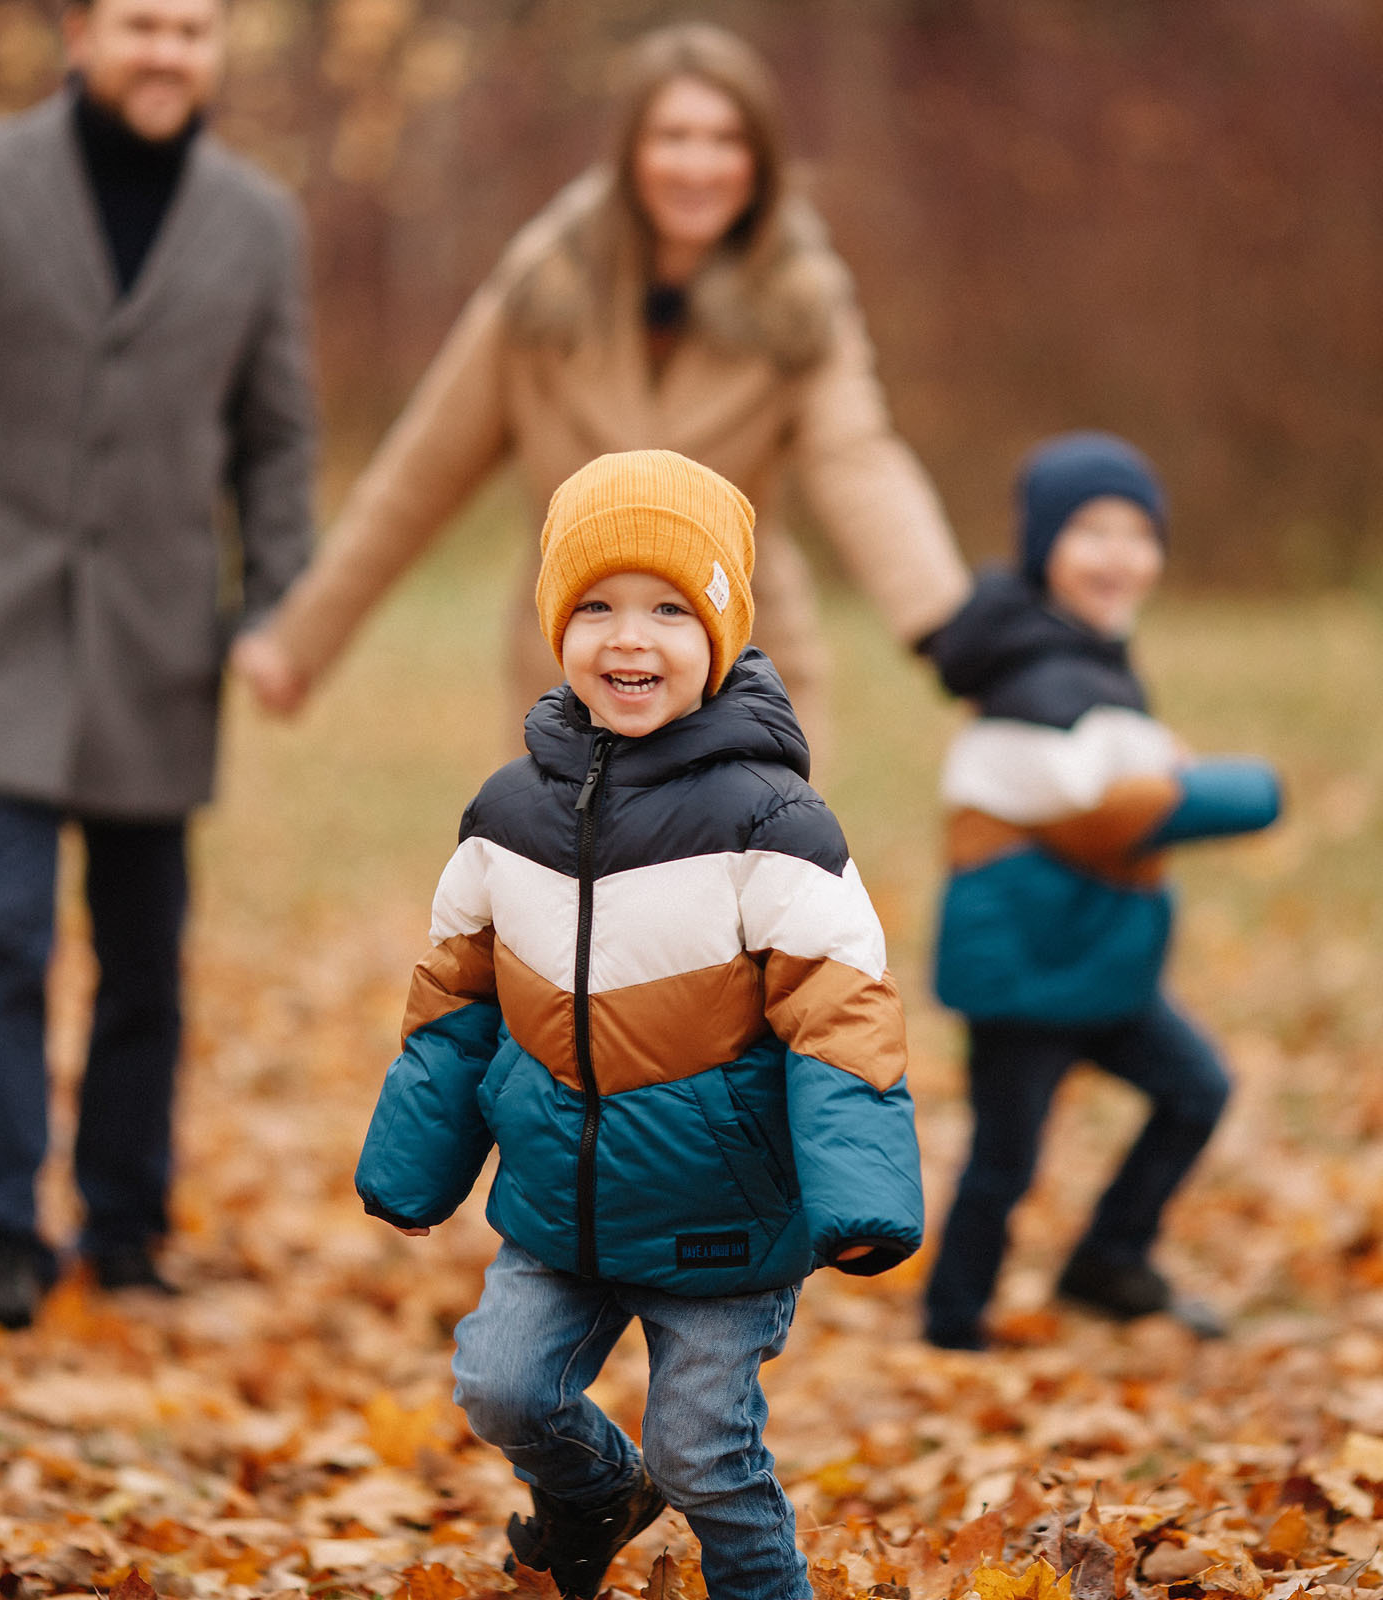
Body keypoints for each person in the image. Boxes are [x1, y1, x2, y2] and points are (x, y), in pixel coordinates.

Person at [0, 0, 316, 1328]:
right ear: (80, 33)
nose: (169, 52)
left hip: (162, 639)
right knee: (3, 930)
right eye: (143, 23)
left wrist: (284, 606)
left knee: (146, 952)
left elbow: (277, 441)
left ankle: (127, 1221)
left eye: (195, 30)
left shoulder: (257, 220)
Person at [355, 450, 922, 1600]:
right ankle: (596, 1489)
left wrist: (864, 1191)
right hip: (560, 1202)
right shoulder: (506, 817)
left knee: (704, 1455)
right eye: (598, 607)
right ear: (556, 626)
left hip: (720, 1217)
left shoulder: (774, 823)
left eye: (670, 608)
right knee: (502, 1387)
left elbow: (841, 1007)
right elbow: (456, 1002)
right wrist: (414, 1166)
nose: (630, 638)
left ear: (721, 633)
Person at [235, 22, 969, 738]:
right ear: (629, 156)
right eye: (673, 138)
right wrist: (300, 642)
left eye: (725, 140)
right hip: (574, 689)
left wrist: (953, 629)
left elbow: (860, 463)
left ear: (762, 161)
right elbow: (418, 476)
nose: (698, 166)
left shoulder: (803, 303)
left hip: (746, 686)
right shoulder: (538, 293)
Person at [916, 432, 1282, 1352]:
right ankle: (952, 1327)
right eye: (1091, 532)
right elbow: (1090, 801)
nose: (1118, 556)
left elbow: (1118, 765)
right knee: (1007, 1158)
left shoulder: (1084, 653)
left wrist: (1158, 766)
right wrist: (1211, 789)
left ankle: (1109, 1259)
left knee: (1196, 1088)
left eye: (1137, 533)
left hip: (1093, 960)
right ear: (1044, 547)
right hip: (1030, 969)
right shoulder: (1032, 675)